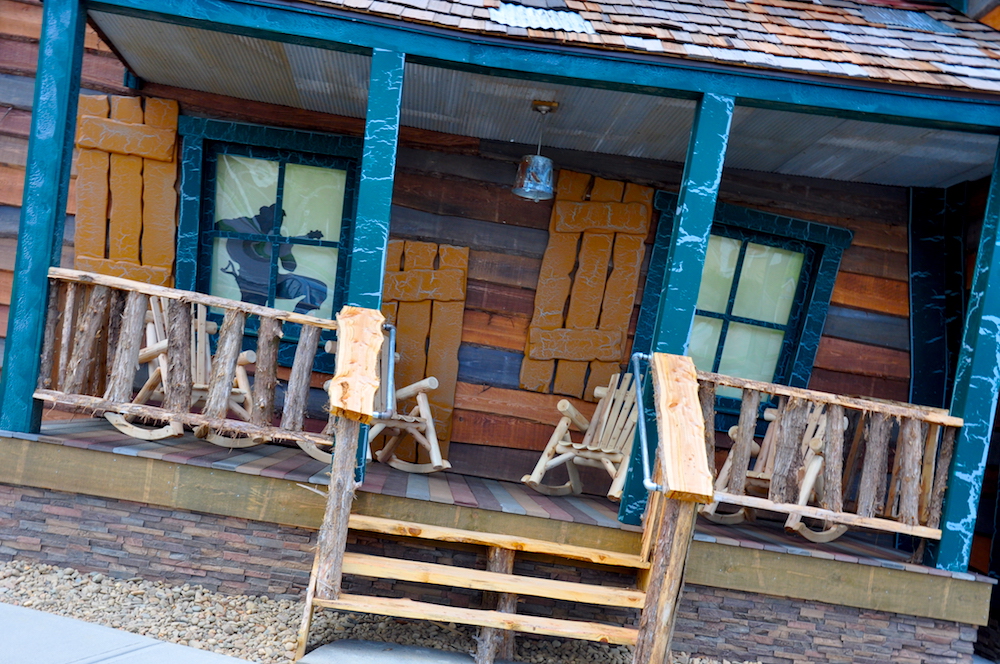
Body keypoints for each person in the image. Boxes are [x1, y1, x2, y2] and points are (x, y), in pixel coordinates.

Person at [218, 203, 328, 314]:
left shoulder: (272, 236)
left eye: (278, 223)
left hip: (272, 282)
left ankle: (295, 322)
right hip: (254, 283)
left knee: (318, 289)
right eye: (273, 221)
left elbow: (289, 266)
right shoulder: (244, 225)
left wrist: (285, 248)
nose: (275, 225)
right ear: (263, 215)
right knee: (252, 312)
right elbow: (217, 226)